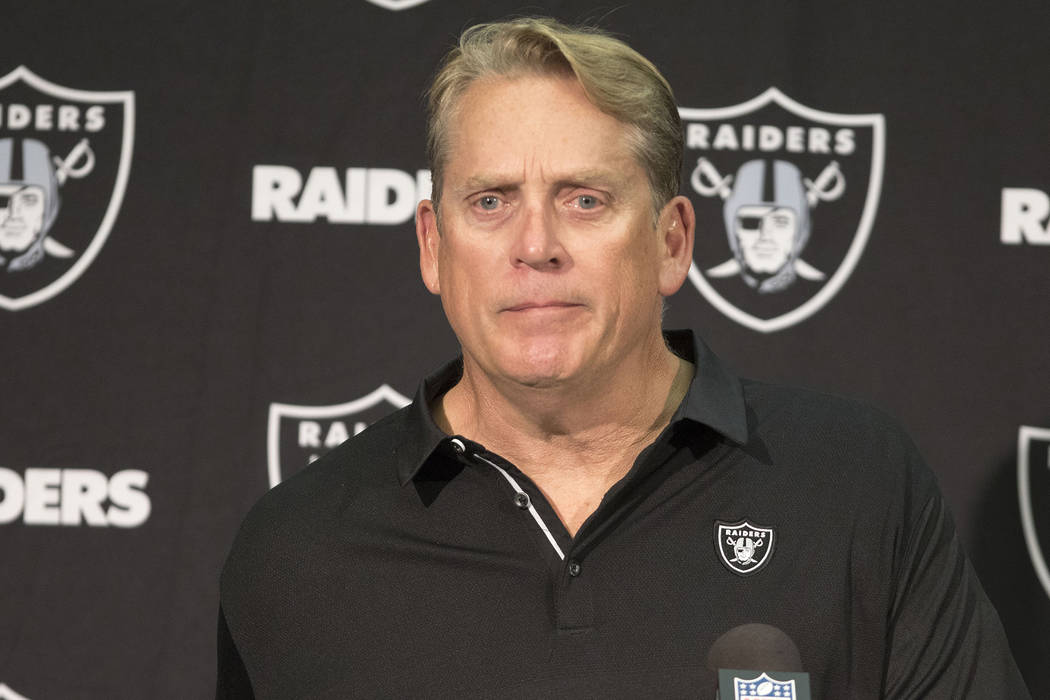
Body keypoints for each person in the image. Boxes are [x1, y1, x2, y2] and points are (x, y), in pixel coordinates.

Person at [218, 17, 1029, 698]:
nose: (536, 245)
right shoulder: (298, 549)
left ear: (672, 241)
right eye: (491, 201)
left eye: (585, 200)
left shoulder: (855, 484)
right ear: (433, 245)